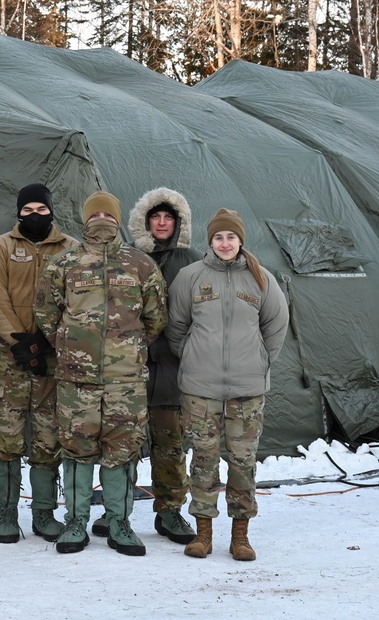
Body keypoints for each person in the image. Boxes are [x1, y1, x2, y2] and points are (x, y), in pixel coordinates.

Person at [34, 190, 167, 556]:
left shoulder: (139, 264)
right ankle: (76, 522)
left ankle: (119, 522)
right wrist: (71, 346)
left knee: (121, 451)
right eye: (95, 216)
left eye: (108, 216)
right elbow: (46, 315)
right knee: (77, 450)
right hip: (77, 380)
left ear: (118, 219)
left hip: (126, 381)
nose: (102, 221)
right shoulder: (65, 263)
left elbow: (155, 317)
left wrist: (128, 350)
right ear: (85, 220)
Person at [166, 208, 288, 561]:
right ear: (210, 241)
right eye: (218, 237)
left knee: (242, 461)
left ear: (240, 240)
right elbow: (176, 327)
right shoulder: (191, 277)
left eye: (230, 236)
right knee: (203, 460)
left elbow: (276, 326)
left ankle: (240, 536)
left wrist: (260, 361)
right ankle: (203, 533)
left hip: (247, 389)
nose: (224, 242)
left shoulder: (261, 278)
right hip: (200, 389)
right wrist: (192, 355)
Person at [93, 187, 200, 545]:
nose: (163, 223)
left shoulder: (193, 262)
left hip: (173, 367)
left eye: (169, 217)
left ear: (179, 221)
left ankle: (170, 512)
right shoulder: (126, 258)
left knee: (170, 444)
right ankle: (116, 512)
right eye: (156, 217)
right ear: (145, 221)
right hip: (130, 367)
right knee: (123, 443)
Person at [0, 184, 77, 543]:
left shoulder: (71, 249)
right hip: (11, 358)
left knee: (48, 438)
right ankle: (6, 512)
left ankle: (43, 511)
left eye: (41, 208)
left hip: (53, 359)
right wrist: (18, 341)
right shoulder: (1, 246)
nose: (34, 215)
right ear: (18, 213)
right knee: (6, 437)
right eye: (27, 209)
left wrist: (48, 339)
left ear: (51, 211)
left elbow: (76, 300)